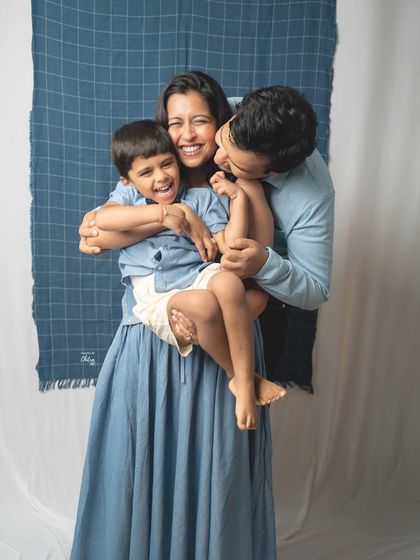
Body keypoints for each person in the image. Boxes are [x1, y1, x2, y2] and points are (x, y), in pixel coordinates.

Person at [71, 72, 279, 560]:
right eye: (175, 122)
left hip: (221, 341)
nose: (186, 135)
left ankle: (243, 381)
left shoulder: (234, 186)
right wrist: (171, 215)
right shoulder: (143, 182)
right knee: (140, 463)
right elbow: (96, 232)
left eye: (199, 120)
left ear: (220, 123)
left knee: (216, 469)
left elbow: (257, 273)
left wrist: (215, 312)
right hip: (149, 346)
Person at [96, 119, 285, 429]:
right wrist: (165, 213)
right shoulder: (129, 198)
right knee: (203, 305)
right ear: (127, 181)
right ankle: (241, 377)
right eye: (146, 172)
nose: (161, 177)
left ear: (177, 161)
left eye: (167, 164)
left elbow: (228, 245)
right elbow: (102, 220)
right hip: (157, 293)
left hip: (196, 275)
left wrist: (237, 199)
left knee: (229, 283)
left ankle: (242, 383)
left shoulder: (202, 198)